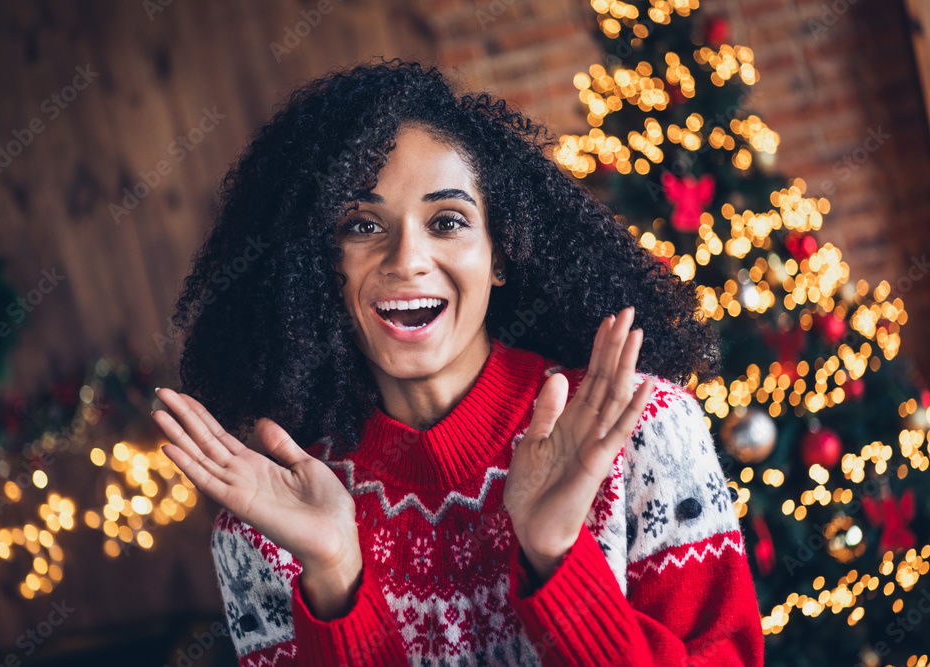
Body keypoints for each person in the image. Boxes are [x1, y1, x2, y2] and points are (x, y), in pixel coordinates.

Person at [150, 58, 764, 666]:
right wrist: (335, 579)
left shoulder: (643, 430)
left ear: (500, 254)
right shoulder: (269, 519)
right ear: (315, 266)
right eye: (363, 225)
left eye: (447, 221)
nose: (408, 258)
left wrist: (556, 561)